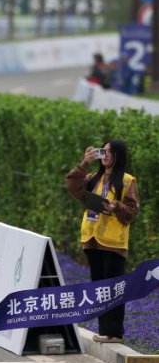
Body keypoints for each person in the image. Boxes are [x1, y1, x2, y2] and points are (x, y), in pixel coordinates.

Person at [66, 140, 140, 343]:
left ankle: (114, 333)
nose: (105, 156)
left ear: (118, 156)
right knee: (99, 288)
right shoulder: (94, 177)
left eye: (109, 152)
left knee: (114, 287)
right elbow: (73, 186)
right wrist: (85, 163)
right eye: (103, 152)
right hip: (92, 239)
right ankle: (105, 331)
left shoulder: (127, 181)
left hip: (114, 243)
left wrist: (115, 207)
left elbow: (133, 211)